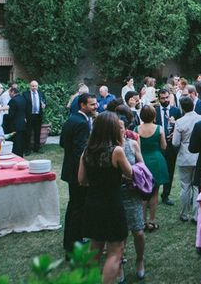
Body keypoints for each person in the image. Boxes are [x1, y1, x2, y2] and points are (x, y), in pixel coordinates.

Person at [78, 112, 133, 284]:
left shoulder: (87, 151)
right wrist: (122, 144)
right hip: (112, 204)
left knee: (95, 247)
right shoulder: (116, 151)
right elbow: (130, 173)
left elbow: (81, 180)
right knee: (116, 251)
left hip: (93, 202)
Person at [60, 92, 97, 255]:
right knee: (78, 207)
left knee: (74, 205)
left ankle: (72, 239)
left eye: (95, 104)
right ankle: (73, 243)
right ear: (83, 105)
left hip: (69, 168)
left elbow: (62, 143)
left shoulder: (72, 118)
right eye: (92, 104)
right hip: (77, 171)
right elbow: (81, 152)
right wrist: (86, 172)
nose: (95, 107)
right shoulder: (82, 123)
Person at [118, 112, 146, 281]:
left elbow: (142, 166)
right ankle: (120, 263)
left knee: (138, 232)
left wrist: (132, 173)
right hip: (115, 194)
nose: (116, 130)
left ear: (125, 129)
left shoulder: (133, 144)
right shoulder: (108, 147)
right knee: (119, 234)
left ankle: (140, 259)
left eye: (119, 127)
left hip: (132, 193)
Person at [172, 96, 201, 222]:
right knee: (197, 185)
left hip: (185, 156)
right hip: (198, 156)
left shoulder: (180, 122)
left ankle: (184, 214)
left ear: (182, 107)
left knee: (185, 186)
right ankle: (197, 215)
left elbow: (175, 143)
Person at [137, 105, 168, 232]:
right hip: (156, 159)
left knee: (143, 194)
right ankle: (152, 220)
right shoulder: (159, 129)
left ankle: (142, 221)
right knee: (154, 193)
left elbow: (137, 149)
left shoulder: (136, 129)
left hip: (143, 161)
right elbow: (164, 146)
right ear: (154, 116)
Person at [153, 88, 182, 206]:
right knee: (156, 170)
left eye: (167, 98)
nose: (165, 100)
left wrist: (174, 130)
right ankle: (152, 194)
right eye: (163, 98)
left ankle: (166, 195)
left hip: (171, 145)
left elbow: (180, 126)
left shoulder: (176, 110)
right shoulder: (154, 111)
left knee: (170, 170)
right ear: (159, 99)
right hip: (158, 145)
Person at [23, 80, 46, 153]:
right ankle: (27, 149)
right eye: (32, 86)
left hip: (38, 115)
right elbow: (23, 106)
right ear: (30, 86)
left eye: (36, 86)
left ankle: (37, 148)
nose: (34, 87)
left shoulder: (41, 93)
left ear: (37, 86)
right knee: (28, 133)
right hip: (29, 115)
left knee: (37, 132)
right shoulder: (25, 94)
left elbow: (44, 102)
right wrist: (24, 116)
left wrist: (44, 105)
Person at [6, 86, 28, 156]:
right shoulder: (23, 99)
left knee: (16, 143)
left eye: (10, 93)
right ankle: (21, 155)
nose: (9, 94)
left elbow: (11, 115)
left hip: (15, 124)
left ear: (13, 92)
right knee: (21, 141)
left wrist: (5, 116)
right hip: (22, 123)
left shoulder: (12, 101)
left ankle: (16, 155)